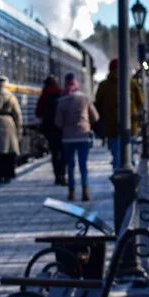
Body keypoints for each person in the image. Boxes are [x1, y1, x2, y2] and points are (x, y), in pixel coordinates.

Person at [54, 72, 99, 201]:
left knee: (71, 166)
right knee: (83, 165)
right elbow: (95, 117)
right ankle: (85, 191)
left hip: (68, 138)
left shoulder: (61, 101)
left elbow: (58, 122)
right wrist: (86, 122)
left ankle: (71, 192)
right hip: (83, 136)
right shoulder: (85, 98)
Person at [94, 58, 143, 169]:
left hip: (112, 127)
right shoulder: (132, 83)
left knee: (116, 158)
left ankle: (117, 181)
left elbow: (98, 105)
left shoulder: (103, 85)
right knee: (130, 157)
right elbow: (141, 102)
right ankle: (132, 181)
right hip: (130, 127)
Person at [35, 75, 65, 185]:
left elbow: (38, 112)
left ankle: (57, 176)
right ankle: (63, 174)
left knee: (54, 153)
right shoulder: (61, 94)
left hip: (49, 129)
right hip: (61, 128)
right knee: (63, 152)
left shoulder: (44, 96)